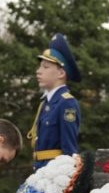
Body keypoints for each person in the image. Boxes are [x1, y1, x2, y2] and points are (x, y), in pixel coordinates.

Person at [27, 33, 82, 169]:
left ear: (61, 73)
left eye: (45, 67)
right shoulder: (46, 103)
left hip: (54, 173)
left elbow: (69, 149)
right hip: (41, 170)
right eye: (40, 67)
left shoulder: (66, 103)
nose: (38, 71)